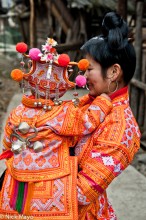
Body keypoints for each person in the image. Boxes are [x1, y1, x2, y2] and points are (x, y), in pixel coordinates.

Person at [0, 11, 141, 220]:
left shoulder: (122, 127)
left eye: (88, 69)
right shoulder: (89, 103)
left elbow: (83, 192)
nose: (82, 77)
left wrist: (30, 183)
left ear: (113, 72)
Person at [0, 37, 112, 219]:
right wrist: (103, 102)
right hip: (52, 186)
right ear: (62, 87)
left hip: (18, 182)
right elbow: (88, 121)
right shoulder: (63, 113)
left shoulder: (17, 112)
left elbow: (7, 144)